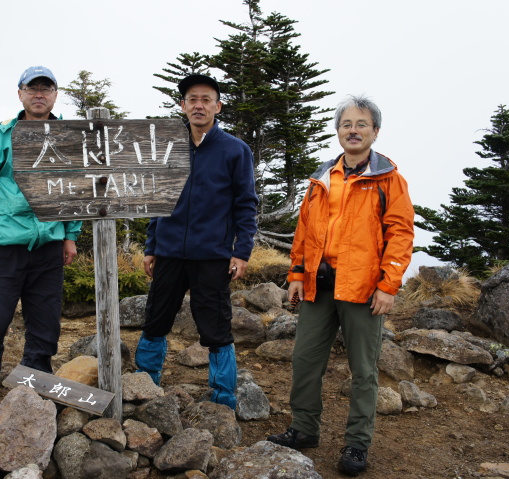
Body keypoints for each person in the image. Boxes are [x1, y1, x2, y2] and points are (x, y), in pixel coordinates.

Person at [266, 95, 414, 475]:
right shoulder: (321, 178)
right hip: (319, 284)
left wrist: (388, 285)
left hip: (364, 288)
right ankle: (304, 429)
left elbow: (400, 233)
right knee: (304, 360)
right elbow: (305, 232)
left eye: (361, 124)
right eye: (346, 124)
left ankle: (357, 445)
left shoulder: (389, 179)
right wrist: (297, 274)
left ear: (375, 132)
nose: (353, 130)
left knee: (363, 370)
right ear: (338, 131)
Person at [0, 66, 81, 420]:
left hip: (48, 247)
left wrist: (70, 235)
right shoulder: (1, 135)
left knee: (45, 325)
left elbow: (75, 189)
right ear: (20, 94)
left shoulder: (69, 137)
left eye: (46, 88)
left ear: (55, 95)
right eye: (32, 88)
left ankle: (34, 387)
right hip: (4, 247)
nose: (39, 94)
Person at [134, 74, 258, 410]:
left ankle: (223, 399)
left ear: (217, 106)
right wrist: (151, 245)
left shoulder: (235, 150)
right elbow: (157, 199)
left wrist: (241, 251)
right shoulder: (169, 149)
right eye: (192, 99)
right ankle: (143, 386)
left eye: (206, 99)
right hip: (169, 252)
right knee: (156, 321)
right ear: (182, 106)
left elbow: (246, 204)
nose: (198, 105)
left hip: (212, 255)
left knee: (216, 328)